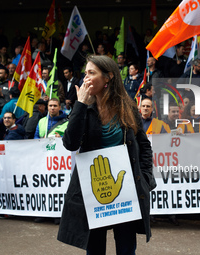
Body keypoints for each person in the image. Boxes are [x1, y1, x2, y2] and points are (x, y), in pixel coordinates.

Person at [57, 55, 156, 253]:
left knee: (126, 248)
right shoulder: (84, 108)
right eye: (85, 73)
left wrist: (144, 177)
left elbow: (144, 146)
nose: (85, 78)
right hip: (94, 189)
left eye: (91, 73)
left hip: (126, 190)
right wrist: (80, 105)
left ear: (108, 77)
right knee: (94, 248)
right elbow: (70, 143)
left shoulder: (127, 107)